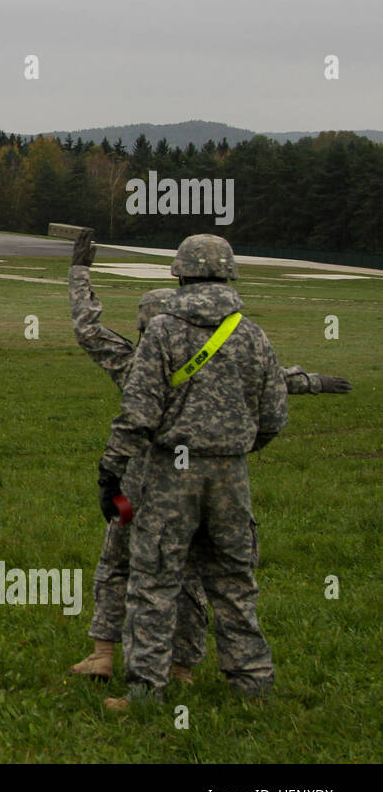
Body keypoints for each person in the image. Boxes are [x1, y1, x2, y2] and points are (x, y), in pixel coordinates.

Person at [68, 231, 351, 683]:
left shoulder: (142, 351)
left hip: (151, 479)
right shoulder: (247, 335)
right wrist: (305, 388)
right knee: (219, 580)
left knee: (137, 573)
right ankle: (221, 674)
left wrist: (79, 272)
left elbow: (89, 332)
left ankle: (124, 667)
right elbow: (274, 388)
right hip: (225, 474)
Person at [98, 234, 288, 708]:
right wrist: (235, 449)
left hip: (170, 476)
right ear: (229, 274)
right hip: (231, 477)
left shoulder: (162, 331)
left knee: (155, 583)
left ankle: (146, 692)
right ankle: (253, 686)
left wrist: (112, 469)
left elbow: (139, 412)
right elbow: (274, 415)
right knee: (233, 582)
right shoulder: (252, 333)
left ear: (179, 274)